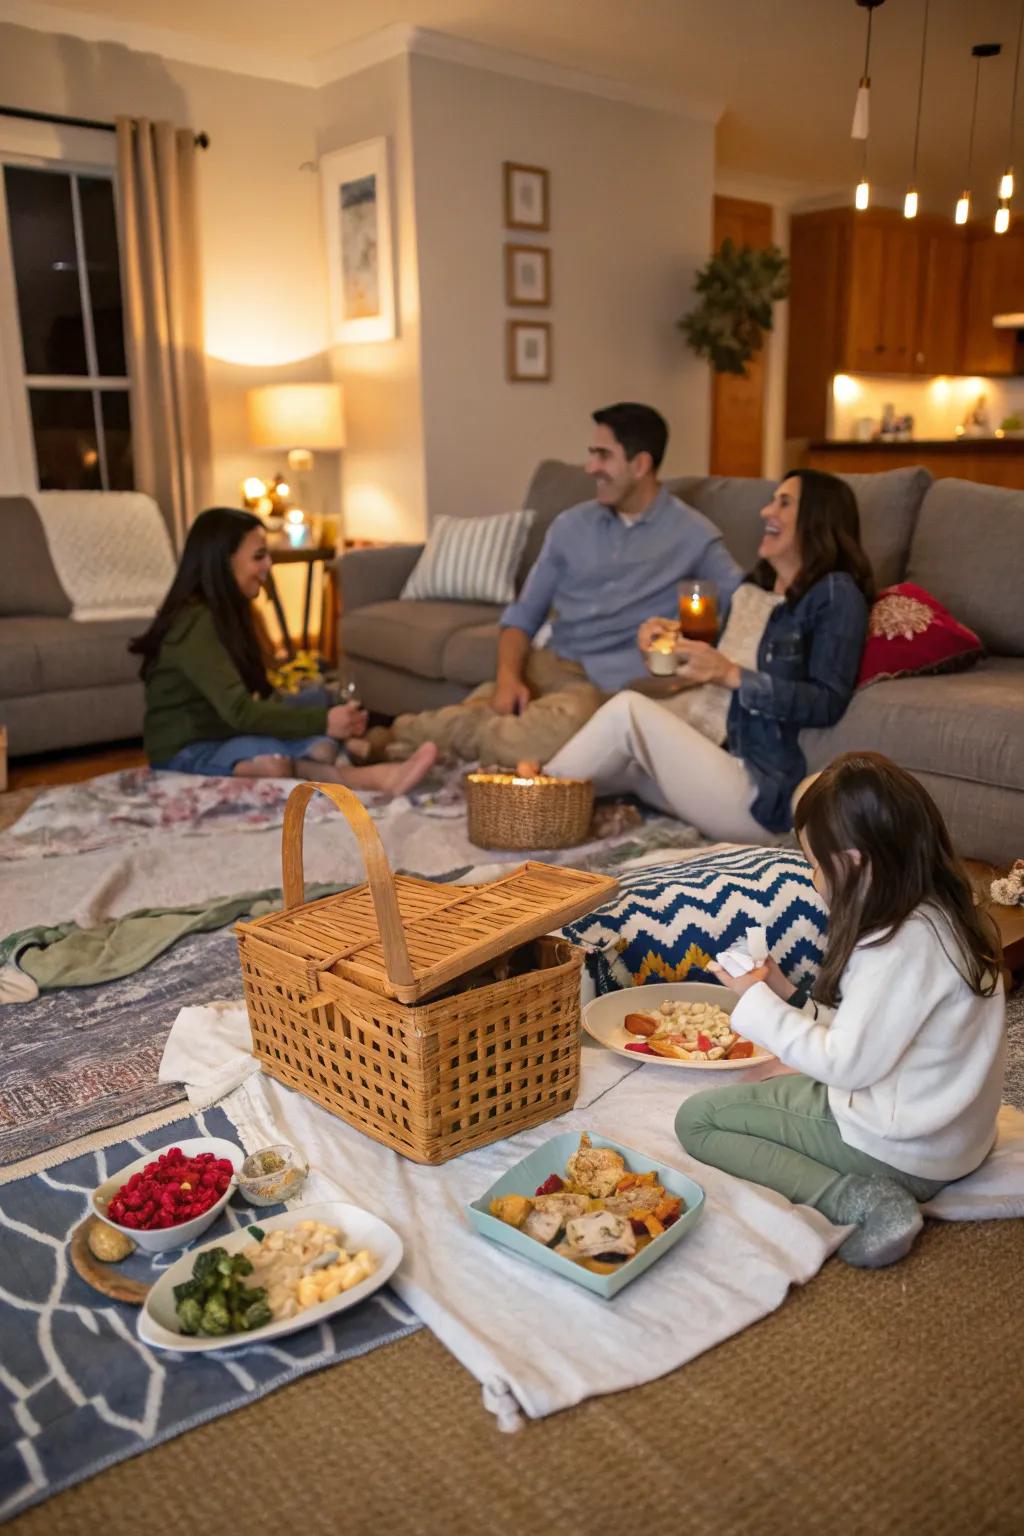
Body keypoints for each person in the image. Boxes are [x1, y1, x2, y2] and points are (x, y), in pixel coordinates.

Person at [675, 752, 1006, 1269]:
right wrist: (785, 993)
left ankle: (856, 1199)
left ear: (851, 863)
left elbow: (845, 1064)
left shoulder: (892, 947)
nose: (810, 876)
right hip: (957, 1141)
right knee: (765, 1082)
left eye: (811, 862)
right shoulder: (953, 918)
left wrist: (752, 999)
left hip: (901, 1151)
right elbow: (877, 1033)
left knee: (699, 1119)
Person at [354, 403, 743, 768]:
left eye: (602, 455)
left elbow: (746, 600)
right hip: (552, 663)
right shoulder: (570, 526)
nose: (590, 467)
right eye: (591, 454)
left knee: (565, 726)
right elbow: (523, 616)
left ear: (640, 464)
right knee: (506, 706)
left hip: (611, 685)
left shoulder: (692, 534)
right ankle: (418, 737)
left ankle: (402, 737)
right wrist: (509, 679)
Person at [544, 468, 873, 843]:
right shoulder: (753, 589)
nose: (766, 512)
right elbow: (713, 668)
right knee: (622, 759)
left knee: (627, 710)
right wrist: (667, 647)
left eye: (784, 503)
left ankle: (529, 800)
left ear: (818, 517)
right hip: (709, 751)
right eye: (771, 501)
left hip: (755, 785)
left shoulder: (835, 593)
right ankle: (544, 798)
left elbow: (827, 700)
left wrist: (733, 675)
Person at [130, 508, 437, 795]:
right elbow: (240, 712)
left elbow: (264, 698)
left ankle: (351, 751)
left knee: (319, 700)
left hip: (222, 732)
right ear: (224, 561)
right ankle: (370, 773)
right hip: (188, 749)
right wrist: (322, 723)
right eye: (259, 556)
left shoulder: (233, 613)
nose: (268, 566)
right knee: (281, 760)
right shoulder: (196, 622)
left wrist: (320, 715)